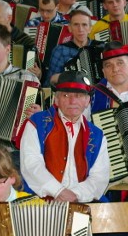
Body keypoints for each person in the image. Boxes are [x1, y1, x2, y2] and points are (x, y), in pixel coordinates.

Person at [19, 70, 110, 203]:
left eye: (79, 96)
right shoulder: (37, 123)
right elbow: (31, 164)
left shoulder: (97, 135)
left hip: (81, 201)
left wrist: (75, 194)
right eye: (66, 95)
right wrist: (57, 191)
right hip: (41, 200)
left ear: (87, 101)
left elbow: (99, 177)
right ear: (56, 99)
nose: (72, 101)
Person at [46, 9, 99, 87]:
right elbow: (50, 82)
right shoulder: (60, 50)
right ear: (70, 28)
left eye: (84, 25)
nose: (80, 29)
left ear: (90, 28)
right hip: (71, 92)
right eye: (76, 25)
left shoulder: (100, 47)